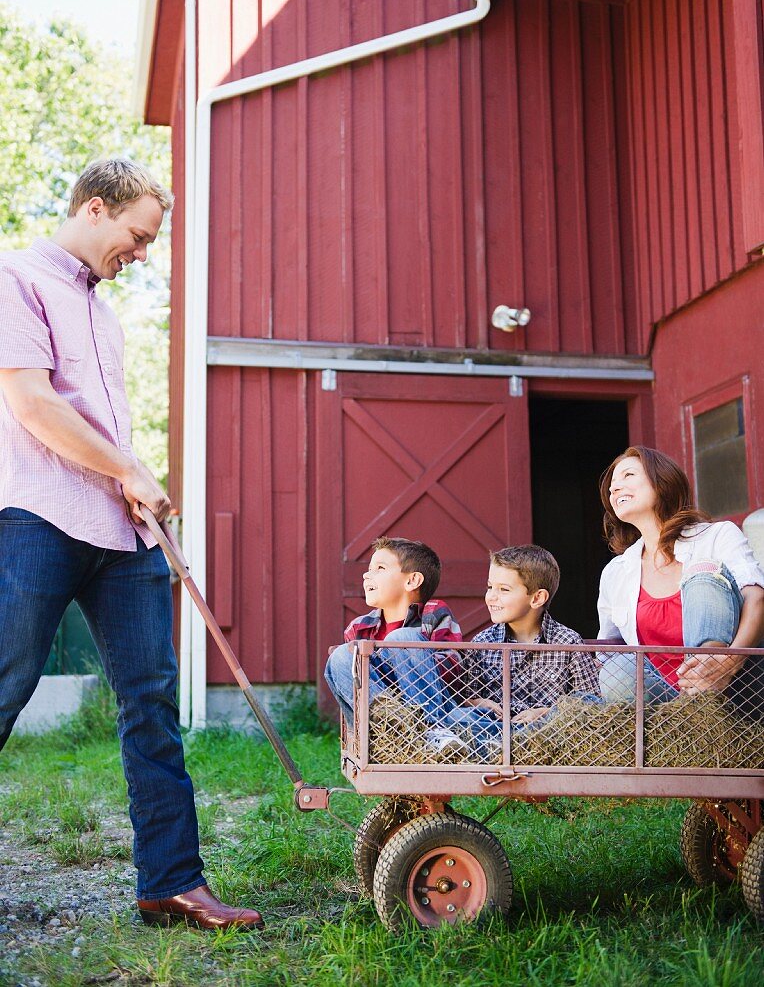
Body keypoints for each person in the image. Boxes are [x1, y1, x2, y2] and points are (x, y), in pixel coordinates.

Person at [0, 159, 263, 931]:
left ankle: (171, 883)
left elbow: (99, 423)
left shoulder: (105, 313)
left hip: (121, 533)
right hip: (38, 519)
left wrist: (132, 486)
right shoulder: (15, 278)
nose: (143, 254)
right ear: (93, 208)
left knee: (150, 703)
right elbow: (32, 405)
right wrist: (131, 467)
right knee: (4, 690)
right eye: (138, 237)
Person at [597, 445, 764, 709]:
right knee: (615, 670)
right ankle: (682, 719)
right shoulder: (616, 571)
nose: (615, 488)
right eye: (611, 487)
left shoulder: (717, 536)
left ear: (662, 481)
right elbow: (609, 649)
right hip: (664, 707)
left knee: (702, 574)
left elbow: (756, 598)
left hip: (730, 689)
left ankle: (704, 699)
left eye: (628, 476)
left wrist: (730, 662)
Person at [444, 545, 600, 753]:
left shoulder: (568, 643)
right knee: (455, 716)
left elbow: (591, 704)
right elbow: (467, 697)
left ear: (537, 598)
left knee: (570, 714)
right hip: (493, 726)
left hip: (544, 733)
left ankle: (507, 746)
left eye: (504, 590)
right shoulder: (483, 642)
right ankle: (498, 746)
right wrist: (479, 702)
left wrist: (548, 713)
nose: (491, 597)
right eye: (490, 587)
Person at [323, 536, 467, 755]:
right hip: (383, 712)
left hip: (433, 705)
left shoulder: (433, 613)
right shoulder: (359, 627)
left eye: (380, 568)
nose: (366, 574)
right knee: (341, 656)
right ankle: (390, 730)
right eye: (368, 569)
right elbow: (352, 682)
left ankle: (431, 731)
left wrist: (393, 655)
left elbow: (452, 668)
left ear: (412, 581)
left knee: (402, 639)